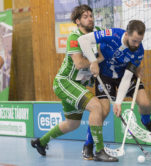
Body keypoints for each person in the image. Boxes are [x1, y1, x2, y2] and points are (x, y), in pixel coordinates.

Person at [31, 5, 118, 162]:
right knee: (96, 106)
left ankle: (40, 142)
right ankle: (98, 151)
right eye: (85, 16)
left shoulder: (97, 31)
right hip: (65, 82)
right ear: (77, 21)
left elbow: (102, 49)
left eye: (91, 15)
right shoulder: (74, 37)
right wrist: (97, 60)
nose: (90, 18)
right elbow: (79, 64)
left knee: (72, 124)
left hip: (79, 85)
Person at [78, 20, 151, 147]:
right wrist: (93, 61)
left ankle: (146, 122)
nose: (137, 44)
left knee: (145, 104)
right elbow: (83, 40)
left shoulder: (139, 52)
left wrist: (118, 102)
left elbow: (127, 79)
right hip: (105, 75)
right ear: (126, 34)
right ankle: (88, 144)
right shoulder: (112, 34)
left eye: (140, 41)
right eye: (134, 41)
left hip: (123, 74)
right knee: (103, 111)